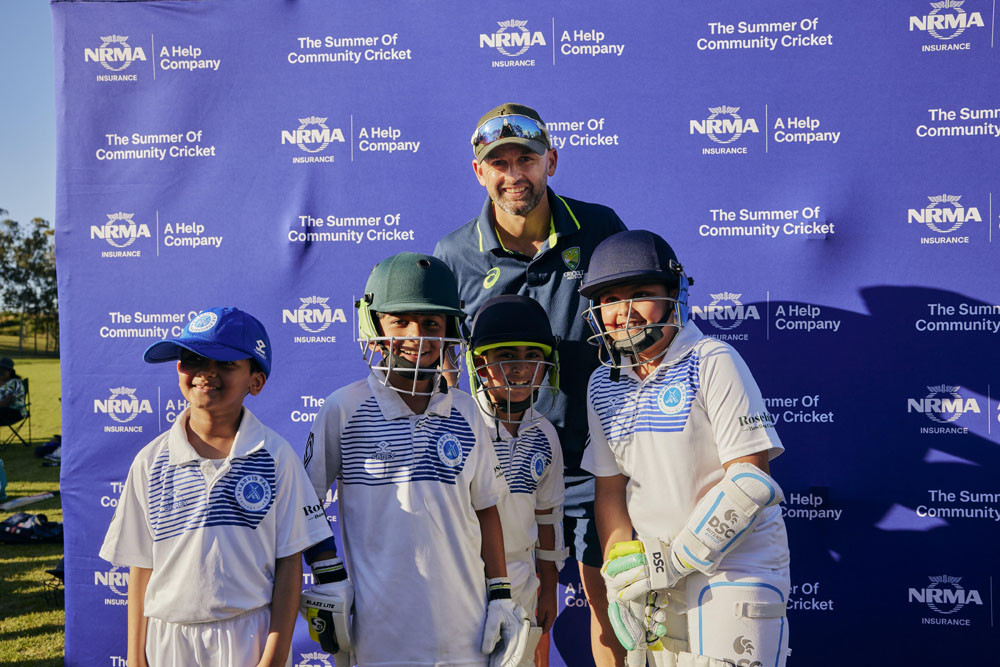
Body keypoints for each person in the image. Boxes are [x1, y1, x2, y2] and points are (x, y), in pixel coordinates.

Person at [435, 102, 627, 666]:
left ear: (551, 162)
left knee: (613, 609)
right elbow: (447, 359)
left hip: (598, 458)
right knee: (521, 618)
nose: (513, 175)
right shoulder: (453, 254)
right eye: (499, 162)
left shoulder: (598, 229)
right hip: (507, 463)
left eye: (526, 159)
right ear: (479, 171)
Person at [300, 252, 530, 667]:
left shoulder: (465, 411)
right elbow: (304, 502)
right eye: (399, 321)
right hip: (380, 633)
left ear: (450, 330)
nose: (416, 335)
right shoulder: (344, 409)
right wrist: (329, 575)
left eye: (430, 323)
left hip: (466, 630)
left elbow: (487, 509)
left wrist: (500, 593)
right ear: (373, 326)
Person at [578, 231, 791, 667]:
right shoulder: (602, 382)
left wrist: (675, 560)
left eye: (641, 294)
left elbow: (751, 481)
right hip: (657, 576)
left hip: (734, 569)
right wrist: (622, 572)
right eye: (611, 299)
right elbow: (611, 490)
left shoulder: (711, 359)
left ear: (676, 295)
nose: (624, 313)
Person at [100, 307, 333, 667]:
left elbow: (289, 565)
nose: (205, 373)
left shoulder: (275, 456)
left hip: (249, 636)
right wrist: (135, 658)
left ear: (255, 381)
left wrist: (273, 657)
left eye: (225, 363)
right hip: (169, 640)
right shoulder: (150, 461)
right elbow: (140, 567)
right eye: (192, 359)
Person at [467, 295, 568, 666]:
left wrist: (549, 590)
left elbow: (548, 517)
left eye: (533, 356)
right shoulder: (461, 426)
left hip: (524, 588)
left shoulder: (545, 434)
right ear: (480, 363)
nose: (521, 369)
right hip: (466, 589)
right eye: (506, 356)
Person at [0, 357, 27, 427]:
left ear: (10, 372)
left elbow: (8, 402)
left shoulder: (14, 382)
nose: (1, 372)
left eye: (4, 370)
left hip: (12, 412)